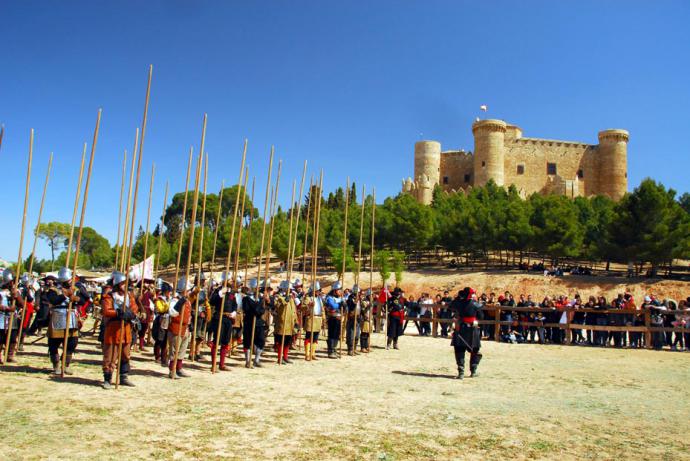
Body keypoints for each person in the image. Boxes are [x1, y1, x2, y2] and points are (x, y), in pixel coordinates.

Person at [45, 267, 89, 375]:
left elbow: (84, 301)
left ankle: (66, 365)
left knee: (72, 342)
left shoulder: (75, 289)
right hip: (57, 316)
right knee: (54, 343)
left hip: (71, 316)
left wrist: (76, 298)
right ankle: (56, 366)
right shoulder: (53, 290)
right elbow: (53, 300)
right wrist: (65, 295)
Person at [100, 271, 138, 389]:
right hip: (113, 329)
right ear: (117, 284)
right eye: (123, 283)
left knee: (125, 354)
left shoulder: (129, 296)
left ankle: (123, 377)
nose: (125, 286)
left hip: (126, 329)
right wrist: (117, 312)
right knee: (111, 355)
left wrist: (130, 313)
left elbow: (134, 309)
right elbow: (106, 311)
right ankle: (107, 379)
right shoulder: (110, 296)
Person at [450, 287, 483, 379]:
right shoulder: (476, 304)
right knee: (475, 350)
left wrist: (458, 298)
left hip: (461, 328)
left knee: (459, 350)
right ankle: (473, 371)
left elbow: (451, 306)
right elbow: (481, 316)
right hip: (472, 328)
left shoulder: (458, 303)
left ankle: (461, 372)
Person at [208, 272, 237, 371]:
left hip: (228, 319)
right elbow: (212, 301)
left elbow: (234, 304)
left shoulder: (231, 292)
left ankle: (222, 364)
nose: (231, 282)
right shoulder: (218, 291)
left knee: (225, 342)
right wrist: (220, 293)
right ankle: (213, 365)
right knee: (217, 341)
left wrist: (233, 312)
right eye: (230, 280)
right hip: (219, 318)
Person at [167, 277, 193, 379]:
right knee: (174, 351)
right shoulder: (175, 300)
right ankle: (172, 370)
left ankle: (179, 368)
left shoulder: (187, 301)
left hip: (185, 328)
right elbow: (173, 313)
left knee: (182, 350)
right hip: (176, 328)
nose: (189, 292)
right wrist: (181, 302)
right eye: (188, 290)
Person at [0, 269, 26, 363]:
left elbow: (23, 305)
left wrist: (17, 296)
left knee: (12, 338)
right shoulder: (0, 291)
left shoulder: (15, 291)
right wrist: (6, 308)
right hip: (1, 316)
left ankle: (9, 355)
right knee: (0, 338)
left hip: (12, 317)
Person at [242, 279, 268, 368]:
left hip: (258, 322)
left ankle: (256, 359)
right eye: (256, 287)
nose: (258, 289)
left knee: (261, 340)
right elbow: (248, 310)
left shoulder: (261, 298)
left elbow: (262, 310)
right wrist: (257, 306)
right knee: (247, 341)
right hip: (249, 322)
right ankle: (247, 361)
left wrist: (259, 307)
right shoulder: (246, 298)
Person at [274, 280, 298, 364]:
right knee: (281, 342)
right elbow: (276, 306)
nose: (290, 291)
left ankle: (285, 356)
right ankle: (279, 358)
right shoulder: (278, 296)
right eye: (289, 289)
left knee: (288, 341)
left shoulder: (291, 298)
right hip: (282, 322)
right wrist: (284, 301)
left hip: (290, 323)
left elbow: (293, 310)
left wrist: (296, 320)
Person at [151, 279, 172, 366]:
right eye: (168, 291)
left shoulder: (169, 299)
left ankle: (164, 357)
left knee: (165, 341)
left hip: (169, 320)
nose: (169, 293)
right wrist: (168, 304)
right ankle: (157, 356)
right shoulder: (159, 299)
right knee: (159, 340)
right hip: (161, 320)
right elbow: (161, 309)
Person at [302, 282, 324, 361]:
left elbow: (322, 309)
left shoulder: (319, 298)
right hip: (311, 318)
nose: (318, 292)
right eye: (317, 290)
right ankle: (307, 354)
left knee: (315, 337)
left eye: (318, 290)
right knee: (308, 337)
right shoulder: (308, 298)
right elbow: (302, 307)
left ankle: (313, 353)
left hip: (318, 318)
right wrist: (309, 305)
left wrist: (323, 318)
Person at [325, 281, 344, 358]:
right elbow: (333, 306)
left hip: (338, 318)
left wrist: (345, 305)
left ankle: (335, 350)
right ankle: (330, 351)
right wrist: (340, 304)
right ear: (335, 290)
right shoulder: (329, 297)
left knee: (337, 335)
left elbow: (346, 308)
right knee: (332, 334)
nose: (340, 291)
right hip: (332, 318)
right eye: (339, 290)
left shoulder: (340, 298)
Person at [345, 285, 361, 356]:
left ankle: (354, 349)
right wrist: (355, 303)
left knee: (357, 334)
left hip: (357, 317)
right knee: (351, 334)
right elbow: (350, 307)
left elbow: (360, 308)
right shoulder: (350, 298)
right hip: (351, 318)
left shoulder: (359, 298)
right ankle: (350, 350)